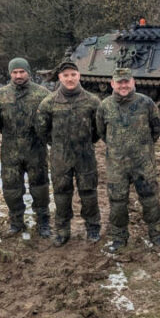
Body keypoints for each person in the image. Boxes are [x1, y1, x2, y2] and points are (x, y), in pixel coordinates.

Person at [96, 68, 160, 253]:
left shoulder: (146, 103)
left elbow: (156, 128)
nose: (123, 85)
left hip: (143, 163)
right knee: (117, 202)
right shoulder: (105, 106)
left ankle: (157, 236)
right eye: (119, 82)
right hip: (117, 165)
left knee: (150, 200)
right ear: (113, 84)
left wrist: (143, 148)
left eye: (126, 81)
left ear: (133, 82)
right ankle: (119, 238)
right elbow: (102, 132)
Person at [36, 60, 102, 247]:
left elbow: (98, 129)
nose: (70, 78)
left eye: (73, 74)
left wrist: (87, 142)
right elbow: (42, 129)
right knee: (61, 194)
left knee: (89, 193)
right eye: (66, 75)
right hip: (60, 157)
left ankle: (93, 227)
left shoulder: (92, 101)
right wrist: (56, 144)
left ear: (79, 76)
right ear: (60, 78)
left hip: (85, 156)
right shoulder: (49, 102)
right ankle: (62, 230)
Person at [0, 58, 52, 238]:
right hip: (10, 150)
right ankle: (16, 222)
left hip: (36, 150)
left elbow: (49, 121)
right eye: (15, 72)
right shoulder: (0, 95)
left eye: (22, 72)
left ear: (28, 73)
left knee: (40, 189)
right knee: (11, 189)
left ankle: (43, 223)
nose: (18, 75)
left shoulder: (42, 94)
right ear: (10, 74)